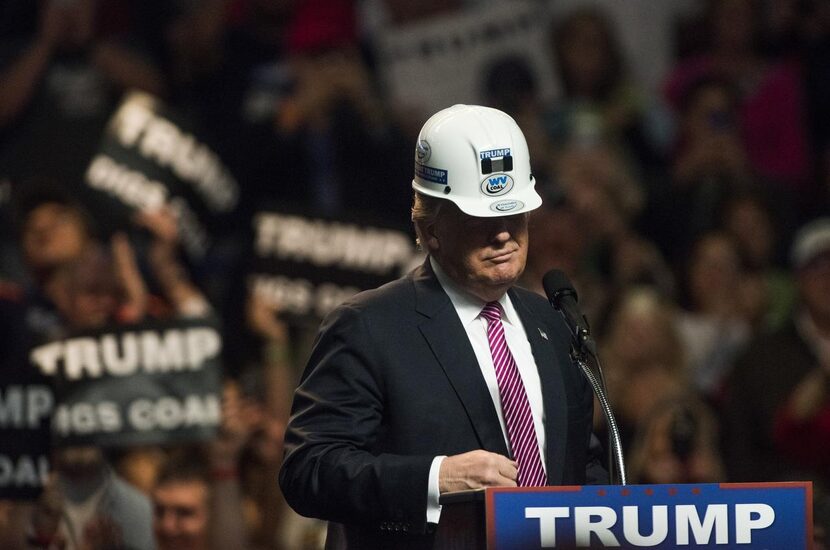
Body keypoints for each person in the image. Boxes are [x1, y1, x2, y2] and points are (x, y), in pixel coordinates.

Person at [279, 104, 607, 548]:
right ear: (431, 229)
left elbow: (580, 467)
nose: (503, 235)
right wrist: (437, 478)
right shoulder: (367, 327)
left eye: (515, 215)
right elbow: (309, 469)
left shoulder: (553, 321)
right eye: (483, 219)